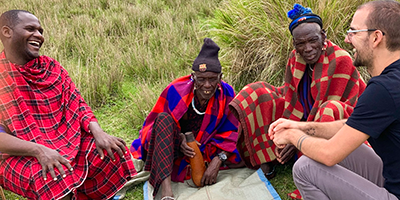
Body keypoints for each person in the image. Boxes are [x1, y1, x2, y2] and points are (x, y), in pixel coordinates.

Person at [269, 1, 400, 199]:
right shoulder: (391, 81)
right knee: (319, 155)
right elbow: (352, 125)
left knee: (304, 168)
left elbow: (330, 154)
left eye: (354, 32)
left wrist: (292, 137)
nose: (347, 39)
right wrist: (299, 127)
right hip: (394, 177)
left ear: (376, 38)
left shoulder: (382, 90)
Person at [0, 10, 136, 200]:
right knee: (54, 175)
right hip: (14, 154)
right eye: (30, 29)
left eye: (40, 31)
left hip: (65, 142)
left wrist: (99, 132)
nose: (39, 36)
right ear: (7, 32)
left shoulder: (51, 68)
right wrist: (39, 150)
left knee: (111, 152)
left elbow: (78, 104)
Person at [229, 3, 366, 179]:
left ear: (323, 36)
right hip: (304, 118)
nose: (307, 48)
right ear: (294, 44)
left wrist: (295, 139)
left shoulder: (340, 60)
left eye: (312, 40)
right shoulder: (296, 58)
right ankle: (267, 158)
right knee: (256, 92)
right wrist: (290, 130)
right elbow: (290, 98)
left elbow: (328, 109)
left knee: (329, 109)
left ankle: (316, 170)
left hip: (341, 122)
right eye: (301, 43)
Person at [130, 38, 243, 200]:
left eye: (212, 79)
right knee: (163, 119)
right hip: (171, 147)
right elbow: (155, 128)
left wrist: (219, 159)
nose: (207, 85)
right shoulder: (176, 89)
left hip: (206, 149)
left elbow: (234, 131)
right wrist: (180, 137)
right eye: (201, 79)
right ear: (193, 77)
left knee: (245, 147)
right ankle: (166, 190)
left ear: (220, 77)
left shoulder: (226, 94)